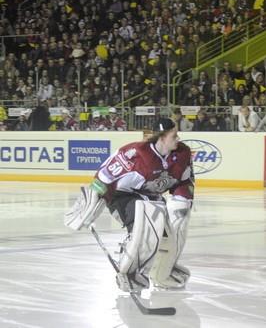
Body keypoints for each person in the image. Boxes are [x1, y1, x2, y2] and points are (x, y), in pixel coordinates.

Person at [64, 118, 194, 292]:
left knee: (170, 238)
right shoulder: (135, 154)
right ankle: (130, 271)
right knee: (147, 229)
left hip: (152, 198)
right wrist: (91, 203)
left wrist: (182, 201)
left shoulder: (182, 153)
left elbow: (185, 180)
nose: (178, 138)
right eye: (174, 135)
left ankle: (163, 273)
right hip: (123, 197)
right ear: (161, 138)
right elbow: (104, 176)